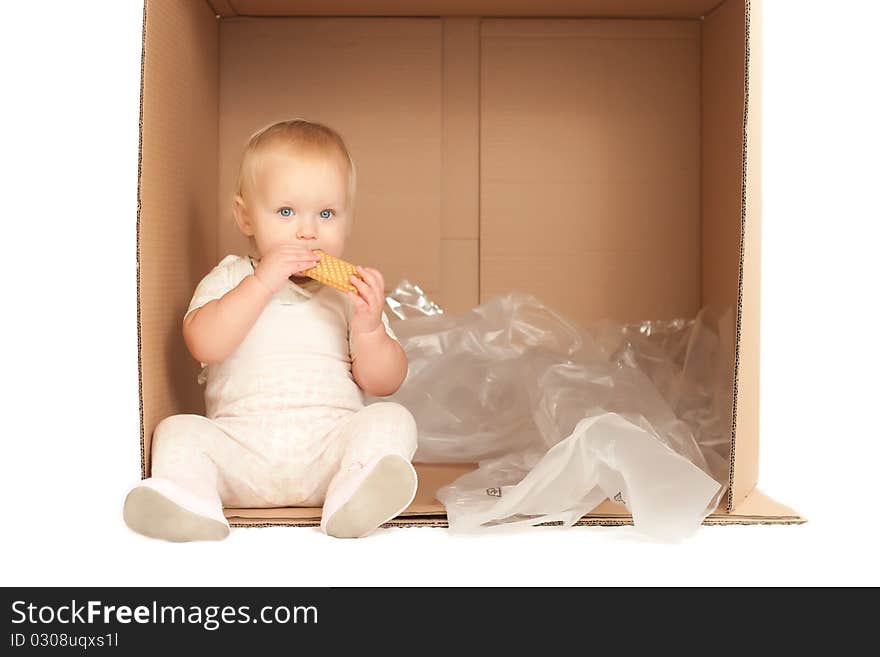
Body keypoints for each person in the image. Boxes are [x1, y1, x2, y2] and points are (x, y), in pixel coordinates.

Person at [123, 118, 418, 541]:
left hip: (331, 457)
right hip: (240, 454)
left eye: (327, 213)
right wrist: (262, 281)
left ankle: (355, 492)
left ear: (348, 221)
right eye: (285, 212)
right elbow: (203, 343)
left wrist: (370, 327)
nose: (308, 230)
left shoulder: (348, 296)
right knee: (177, 430)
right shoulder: (229, 279)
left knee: (394, 418)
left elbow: (385, 382)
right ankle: (191, 498)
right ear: (246, 218)